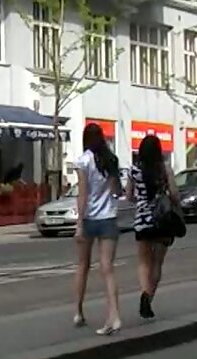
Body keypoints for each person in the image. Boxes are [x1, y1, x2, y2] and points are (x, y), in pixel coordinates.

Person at [74, 123, 123, 336]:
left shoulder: (84, 161)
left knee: (83, 265)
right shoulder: (110, 160)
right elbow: (116, 191)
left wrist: (79, 223)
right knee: (107, 269)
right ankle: (114, 315)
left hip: (90, 219)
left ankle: (78, 311)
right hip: (108, 218)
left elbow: (82, 194)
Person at [126, 135, 180, 319]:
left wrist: (140, 201)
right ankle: (148, 298)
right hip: (162, 220)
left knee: (143, 262)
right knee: (157, 263)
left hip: (142, 220)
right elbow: (174, 194)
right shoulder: (164, 169)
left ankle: (143, 292)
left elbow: (128, 196)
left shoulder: (134, 170)